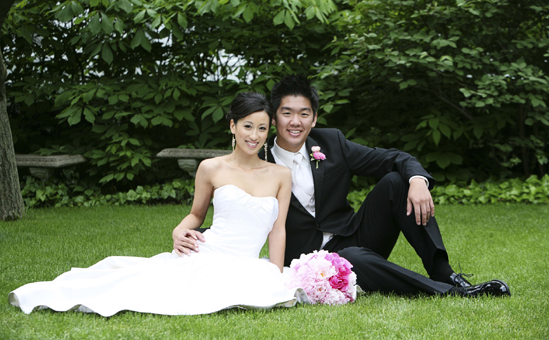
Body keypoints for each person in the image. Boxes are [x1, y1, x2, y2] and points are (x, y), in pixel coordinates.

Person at [9, 92, 301, 316]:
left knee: (250, 289)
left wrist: (276, 273)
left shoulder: (280, 175)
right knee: (151, 286)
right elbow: (196, 215)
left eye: (262, 129)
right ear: (233, 126)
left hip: (248, 261)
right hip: (207, 252)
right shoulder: (211, 168)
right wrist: (178, 230)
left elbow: (277, 230)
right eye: (247, 126)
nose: (254, 135)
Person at [257, 74, 510, 298]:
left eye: (304, 113)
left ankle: (444, 274)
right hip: (306, 260)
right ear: (274, 117)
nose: (295, 122)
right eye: (287, 113)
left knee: (396, 181)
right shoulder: (259, 161)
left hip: (352, 236)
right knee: (354, 258)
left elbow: (392, 158)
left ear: (314, 119)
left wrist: (418, 180)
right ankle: (450, 293)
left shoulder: (331, 141)